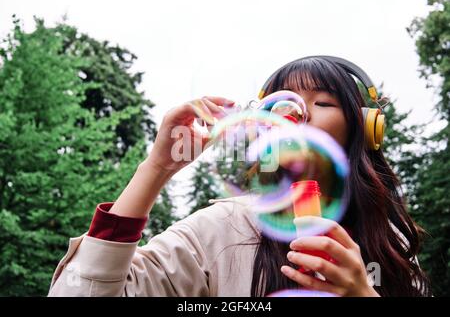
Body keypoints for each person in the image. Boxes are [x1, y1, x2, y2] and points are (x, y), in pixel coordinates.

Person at [48, 57, 431, 297]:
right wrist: (157, 168)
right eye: (282, 104)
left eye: (323, 102)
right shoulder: (224, 230)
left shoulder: (389, 245)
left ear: (366, 129)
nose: (296, 114)